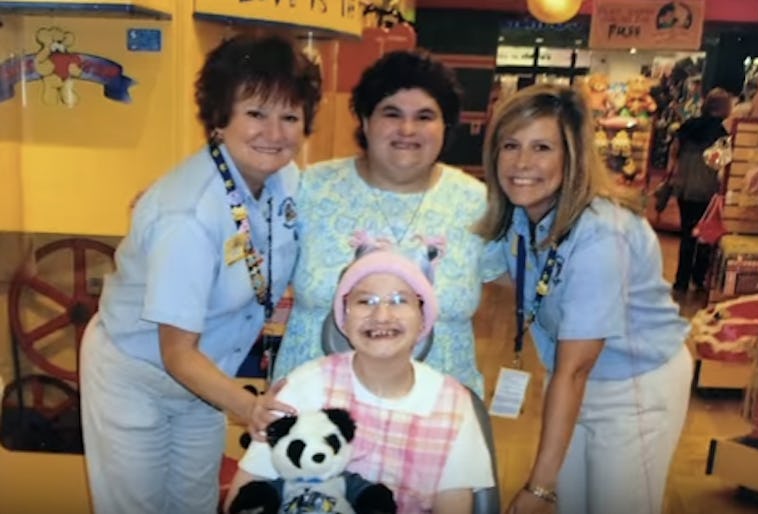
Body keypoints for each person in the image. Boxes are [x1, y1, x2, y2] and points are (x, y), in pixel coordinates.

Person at [79, 34, 321, 514]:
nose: (274, 132)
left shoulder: (285, 181)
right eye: (255, 113)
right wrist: (250, 407)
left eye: (289, 116)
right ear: (220, 118)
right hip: (138, 377)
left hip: (208, 381)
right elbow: (176, 353)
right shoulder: (188, 215)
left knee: (192, 505)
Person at [476, 83, 692, 514]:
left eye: (542, 147)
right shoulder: (521, 214)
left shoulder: (601, 231)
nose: (522, 163)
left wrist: (537, 489)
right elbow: (515, 275)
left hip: (635, 385)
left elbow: (574, 370)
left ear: (571, 156)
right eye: (510, 145)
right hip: (571, 381)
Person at [271, 50, 505, 397]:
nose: (407, 129)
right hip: (316, 409)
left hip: (437, 411)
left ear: (445, 127)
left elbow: (523, 281)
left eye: (425, 116)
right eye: (391, 113)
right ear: (365, 121)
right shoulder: (311, 188)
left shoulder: (477, 202)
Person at [226, 247, 495, 514]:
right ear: (344, 316)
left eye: (400, 300)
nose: (382, 316)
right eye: (365, 301)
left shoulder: (453, 405)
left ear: (423, 316)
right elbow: (244, 496)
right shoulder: (305, 386)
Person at [667, 87, 732, 294]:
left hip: (685, 187)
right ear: (722, 108)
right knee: (705, 236)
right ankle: (699, 278)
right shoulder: (720, 133)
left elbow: (674, 152)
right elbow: (721, 164)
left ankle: (681, 281)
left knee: (687, 234)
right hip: (706, 190)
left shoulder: (688, 126)